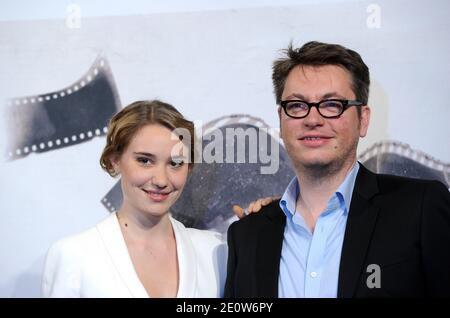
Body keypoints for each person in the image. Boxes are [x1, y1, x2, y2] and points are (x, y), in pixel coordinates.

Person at [225, 41, 450, 298]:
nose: (312, 119)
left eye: (332, 104)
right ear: (281, 119)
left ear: (363, 119)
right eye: (297, 105)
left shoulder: (420, 207)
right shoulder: (246, 235)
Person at [42, 100, 251, 298]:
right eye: (144, 160)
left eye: (175, 163)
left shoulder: (216, 251)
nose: (161, 180)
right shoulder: (74, 255)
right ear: (114, 160)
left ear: (189, 167)